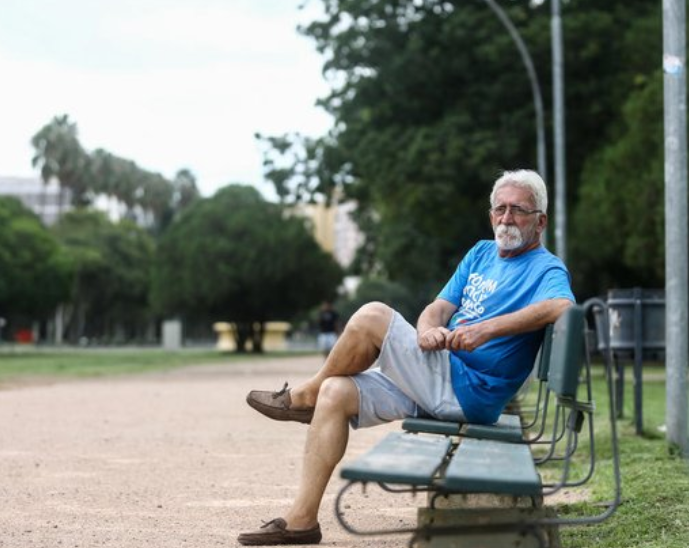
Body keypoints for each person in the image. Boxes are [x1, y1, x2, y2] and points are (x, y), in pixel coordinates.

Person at [238, 169, 575, 546]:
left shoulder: (546, 267)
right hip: (439, 376)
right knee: (336, 392)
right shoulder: (481, 253)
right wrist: (426, 330)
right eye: (500, 209)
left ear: (541, 221)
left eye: (518, 210)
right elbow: (438, 307)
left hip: (469, 392)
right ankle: (302, 521)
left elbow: (562, 305)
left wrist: (487, 329)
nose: (507, 218)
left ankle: (302, 398)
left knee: (372, 316)